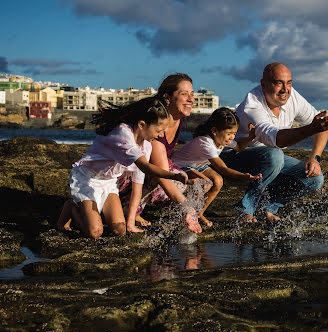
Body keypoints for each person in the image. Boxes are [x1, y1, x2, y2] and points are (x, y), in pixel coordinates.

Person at [220, 62, 328, 223]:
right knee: (275, 155)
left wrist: (315, 157)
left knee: (315, 178)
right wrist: (312, 128)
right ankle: (246, 210)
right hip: (234, 157)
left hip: (269, 160)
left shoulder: (292, 97)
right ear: (264, 84)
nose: (285, 89)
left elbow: (322, 126)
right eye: (278, 83)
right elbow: (276, 139)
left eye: (289, 82)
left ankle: (268, 206)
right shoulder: (253, 105)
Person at [56, 97, 191, 238]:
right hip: (88, 178)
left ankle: (89, 212)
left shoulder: (147, 146)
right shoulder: (122, 135)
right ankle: (71, 207)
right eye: (159, 130)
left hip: (109, 182)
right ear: (142, 124)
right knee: (95, 232)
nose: (161, 134)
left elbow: (137, 187)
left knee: (120, 230)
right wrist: (173, 176)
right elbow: (145, 167)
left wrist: (131, 223)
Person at [118, 73, 203, 233]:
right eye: (184, 94)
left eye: (192, 94)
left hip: (143, 174)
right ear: (167, 98)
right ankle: (127, 207)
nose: (191, 99)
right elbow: (161, 175)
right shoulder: (153, 123)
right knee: (174, 181)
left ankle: (134, 208)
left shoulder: (178, 119)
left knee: (183, 179)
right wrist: (187, 208)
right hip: (123, 177)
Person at [172, 107, 262, 227]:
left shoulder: (222, 140)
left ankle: (199, 213)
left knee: (218, 181)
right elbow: (223, 169)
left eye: (234, 133)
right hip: (181, 165)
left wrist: (250, 137)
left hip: (199, 165)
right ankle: (186, 212)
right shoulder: (206, 143)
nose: (231, 137)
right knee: (205, 183)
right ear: (214, 131)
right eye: (229, 133)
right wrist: (244, 176)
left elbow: (239, 147)